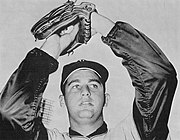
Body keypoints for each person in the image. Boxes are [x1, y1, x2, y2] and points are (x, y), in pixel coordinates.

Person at [0, 5, 178, 140]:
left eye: (94, 85)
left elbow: (159, 77)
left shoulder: (132, 135)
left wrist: (99, 24)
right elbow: (9, 114)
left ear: (106, 98)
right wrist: (54, 46)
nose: (85, 92)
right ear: (62, 100)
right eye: (75, 86)